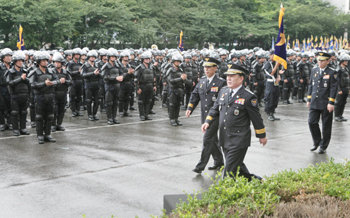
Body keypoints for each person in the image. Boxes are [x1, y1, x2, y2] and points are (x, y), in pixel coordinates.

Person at [202, 64, 267, 180]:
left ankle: (226, 193)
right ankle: (255, 181)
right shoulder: (223, 91)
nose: (228, 78)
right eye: (227, 76)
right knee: (238, 167)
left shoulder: (248, 97)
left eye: (232, 76)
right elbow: (215, 108)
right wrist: (208, 121)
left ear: (241, 78)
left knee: (229, 172)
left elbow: (256, 118)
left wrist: (262, 135)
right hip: (225, 138)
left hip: (239, 140)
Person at [186, 57, 225, 173]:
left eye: (209, 67)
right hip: (204, 115)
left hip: (216, 116)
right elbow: (195, 95)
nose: (206, 69)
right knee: (213, 139)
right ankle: (219, 162)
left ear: (215, 68)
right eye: (205, 67)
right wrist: (190, 108)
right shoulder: (202, 81)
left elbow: (221, 101)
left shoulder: (221, 82)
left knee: (207, 139)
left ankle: (200, 166)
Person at [307, 52, 337, 154]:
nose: (320, 62)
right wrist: (309, 99)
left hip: (326, 103)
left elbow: (334, 88)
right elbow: (311, 85)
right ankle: (317, 142)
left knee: (326, 126)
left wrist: (331, 102)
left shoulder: (332, 72)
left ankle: (323, 146)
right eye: (319, 60)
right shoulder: (314, 70)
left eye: (322, 60)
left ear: (328, 61)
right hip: (315, 101)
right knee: (312, 122)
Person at [30, 51, 61, 144]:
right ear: (38, 61)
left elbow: (57, 80)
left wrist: (52, 83)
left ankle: (47, 134)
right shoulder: (34, 72)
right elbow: (32, 84)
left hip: (50, 96)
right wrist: (44, 83)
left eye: (46, 60)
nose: (45, 62)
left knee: (50, 116)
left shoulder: (51, 71)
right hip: (40, 97)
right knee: (39, 117)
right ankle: (40, 135)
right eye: (43, 60)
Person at [6, 51, 30, 136]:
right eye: (19, 61)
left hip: (24, 95)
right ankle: (15, 129)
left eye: (22, 61)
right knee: (15, 113)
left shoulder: (25, 71)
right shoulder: (11, 72)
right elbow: (10, 83)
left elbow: (29, 82)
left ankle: (23, 128)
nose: (21, 62)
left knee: (24, 112)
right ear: (15, 62)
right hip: (15, 95)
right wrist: (20, 78)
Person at [167, 53, 191, 126]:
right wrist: (180, 78)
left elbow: (185, 79)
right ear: (173, 62)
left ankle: (176, 118)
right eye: (176, 61)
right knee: (172, 105)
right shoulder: (170, 70)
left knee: (178, 105)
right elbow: (170, 80)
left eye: (179, 61)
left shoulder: (181, 69)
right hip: (172, 90)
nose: (178, 63)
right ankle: (172, 119)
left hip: (180, 90)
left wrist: (186, 80)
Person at [102, 49, 123, 125]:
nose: (113, 58)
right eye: (112, 57)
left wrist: (122, 77)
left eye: (114, 57)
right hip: (109, 86)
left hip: (117, 86)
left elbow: (121, 73)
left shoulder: (118, 65)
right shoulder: (106, 66)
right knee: (109, 103)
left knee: (115, 103)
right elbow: (104, 77)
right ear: (109, 57)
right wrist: (114, 78)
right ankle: (109, 118)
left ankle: (114, 117)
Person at [51, 52, 71, 132]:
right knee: (54, 110)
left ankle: (59, 124)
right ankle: (53, 124)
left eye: (58, 62)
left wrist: (65, 81)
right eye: (55, 62)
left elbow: (71, 81)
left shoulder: (65, 72)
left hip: (63, 93)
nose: (56, 64)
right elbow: (50, 82)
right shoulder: (51, 71)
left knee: (62, 110)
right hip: (54, 93)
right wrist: (58, 81)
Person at [135, 51, 156, 121]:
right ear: (143, 59)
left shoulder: (152, 67)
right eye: (146, 59)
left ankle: (146, 115)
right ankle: (142, 115)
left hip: (150, 86)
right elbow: (136, 79)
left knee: (148, 101)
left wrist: (154, 86)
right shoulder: (139, 67)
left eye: (148, 59)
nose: (147, 60)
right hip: (142, 86)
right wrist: (138, 88)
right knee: (141, 101)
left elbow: (154, 77)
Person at [82, 50, 101, 121]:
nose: (93, 58)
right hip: (88, 85)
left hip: (96, 85)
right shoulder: (85, 65)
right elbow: (83, 75)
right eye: (91, 57)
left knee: (97, 101)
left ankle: (94, 114)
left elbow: (100, 74)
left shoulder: (97, 65)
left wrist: (99, 74)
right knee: (88, 100)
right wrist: (93, 73)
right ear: (89, 57)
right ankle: (89, 114)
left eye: (94, 57)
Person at [334, 53, 350, 122]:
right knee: (338, 102)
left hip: (346, 88)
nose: (347, 62)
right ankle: (336, 116)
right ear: (342, 61)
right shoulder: (338, 69)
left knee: (343, 102)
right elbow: (336, 81)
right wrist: (339, 89)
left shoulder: (346, 68)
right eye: (345, 61)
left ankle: (340, 115)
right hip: (341, 88)